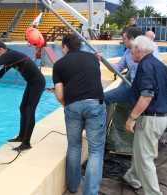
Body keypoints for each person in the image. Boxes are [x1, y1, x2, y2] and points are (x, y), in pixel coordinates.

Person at [52, 34, 106, 195]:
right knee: (95, 150)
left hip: (73, 105)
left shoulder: (59, 65)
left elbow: (60, 94)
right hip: (95, 104)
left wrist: (68, 107)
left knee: (74, 146)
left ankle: (73, 186)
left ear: (65, 47)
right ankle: (90, 192)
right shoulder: (92, 59)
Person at [123, 36, 167, 195]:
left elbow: (146, 96)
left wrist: (132, 118)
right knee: (141, 150)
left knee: (145, 159)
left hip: (151, 118)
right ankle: (133, 177)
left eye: (132, 49)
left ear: (139, 50)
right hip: (163, 116)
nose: (130, 53)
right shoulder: (160, 66)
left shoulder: (145, 66)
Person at [103, 27, 143, 105]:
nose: (123, 41)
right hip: (131, 85)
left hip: (138, 88)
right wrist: (103, 60)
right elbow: (117, 69)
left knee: (104, 98)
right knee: (105, 97)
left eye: (124, 39)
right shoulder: (128, 51)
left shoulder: (146, 51)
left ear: (132, 39)